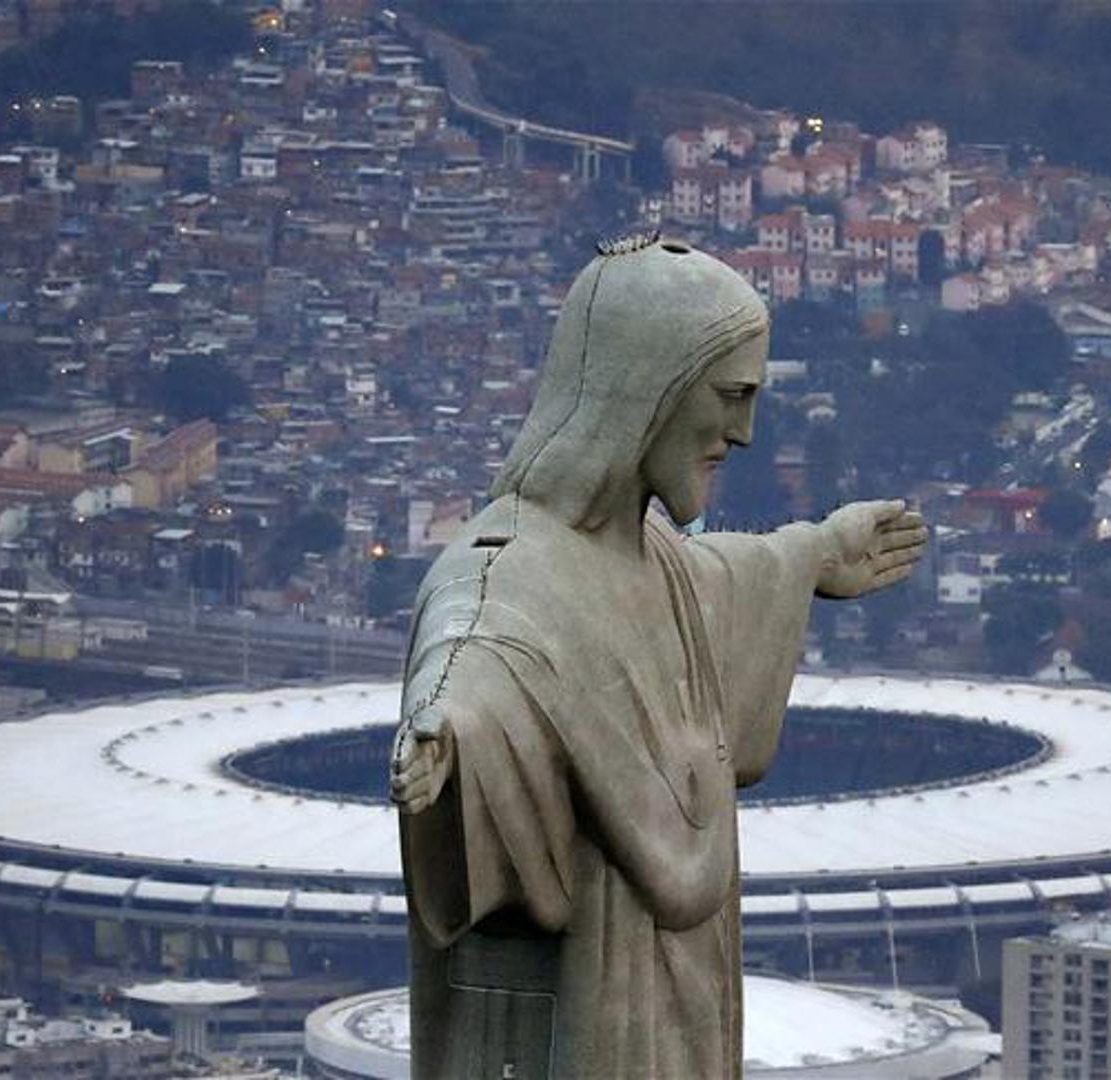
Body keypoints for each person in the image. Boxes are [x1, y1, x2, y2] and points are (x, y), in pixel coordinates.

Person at [391, 236, 925, 1078]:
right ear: (648, 388)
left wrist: (818, 552)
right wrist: (447, 735)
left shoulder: (653, 554)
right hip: (585, 1008)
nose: (743, 433)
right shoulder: (509, 566)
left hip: (682, 1001)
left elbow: (722, 579)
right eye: (731, 396)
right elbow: (477, 649)